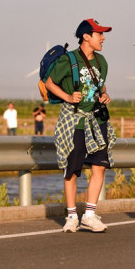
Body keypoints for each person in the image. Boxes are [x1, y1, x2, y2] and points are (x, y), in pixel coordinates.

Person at [44, 18, 114, 233]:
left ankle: (89, 216)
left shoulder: (102, 62)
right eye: (99, 34)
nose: (103, 38)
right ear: (86, 36)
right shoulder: (69, 60)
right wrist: (67, 96)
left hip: (97, 122)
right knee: (72, 171)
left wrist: (104, 95)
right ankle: (72, 216)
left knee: (99, 166)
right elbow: (49, 82)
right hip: (75, 122)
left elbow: (100, 85)